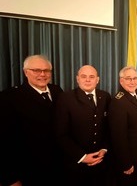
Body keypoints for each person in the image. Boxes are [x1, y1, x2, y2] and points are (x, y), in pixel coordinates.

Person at [0, 55, 64, 186]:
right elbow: (4, 141)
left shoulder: (57, 91)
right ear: (26, 72)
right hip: (29, 172)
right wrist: (10, 178)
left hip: (59, 169)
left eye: (46, 70)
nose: (42, 74)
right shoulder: (9, 97)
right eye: (36, 70)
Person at [54, 65, 111, 185]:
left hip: (102, 162)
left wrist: (104, 149)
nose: (88, 80)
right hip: (76, 164)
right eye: (83, 76)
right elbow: (61, 134)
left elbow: (108, 127)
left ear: (97, 80)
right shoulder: (66, 98)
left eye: (92, 77)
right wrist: (82, 157)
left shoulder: (105, 96)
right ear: (77, 79)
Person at [107, 66, 137, 186]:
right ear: (121, 81)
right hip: (129, 157)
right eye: (128, 78)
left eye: (135, 78)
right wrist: (126, 162)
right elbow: (118, 136)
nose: (132, 82)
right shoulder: (118, 102)